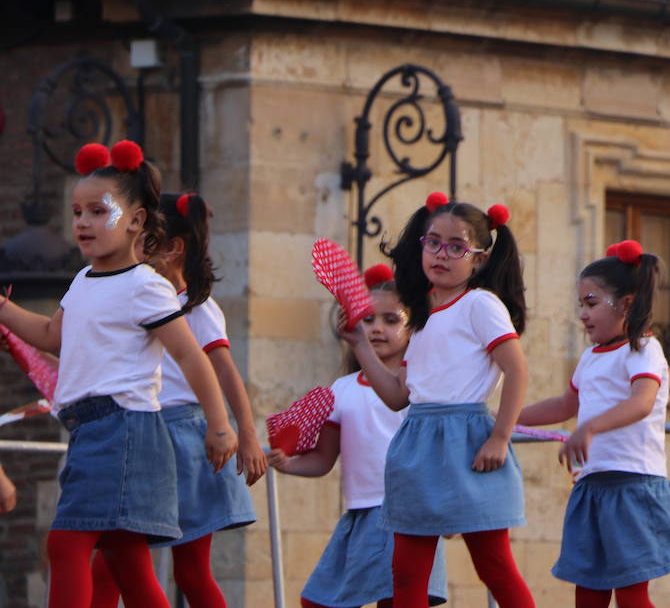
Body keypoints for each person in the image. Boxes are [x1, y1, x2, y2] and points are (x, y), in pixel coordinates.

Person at [0, 141, 237, 607]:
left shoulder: (145, 285)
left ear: (136, 220)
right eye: (76, 212)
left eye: (97, 210)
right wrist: (4, 309)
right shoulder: (82, 280)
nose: (82, 222)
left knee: (65, 544)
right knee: (127, 561)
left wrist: (221, 425)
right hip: (91, 430)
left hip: (124, 430)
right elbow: (51, 335)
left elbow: (192, 358)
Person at [344, 193, 534, 608]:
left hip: (468, 439)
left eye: (456, 247)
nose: (441, 254)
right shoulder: (423, 315)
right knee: (406, 574)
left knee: (494, 566)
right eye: (433, 242)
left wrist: (500, 437)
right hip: (418, 442)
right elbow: (397, 396)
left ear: (479, 259)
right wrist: (361, 344)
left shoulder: (481, 304)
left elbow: (517, 369)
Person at [91, 191, 262, 608]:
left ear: (173, 248)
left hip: (182, 441)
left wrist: (247, 435)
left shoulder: (196, 309)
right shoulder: (143, 301)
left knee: (188, 570)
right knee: (112, 561)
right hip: (143, 433)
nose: (134, 249)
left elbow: (226, 374)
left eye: (144, 240)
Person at [519, 240, 670, 608]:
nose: (583, 314)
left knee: (632, 597)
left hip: (632, 485)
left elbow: (642, 401)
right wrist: (505, 419)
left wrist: (588, 429)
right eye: (581, 305)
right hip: (592, 488)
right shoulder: (589, 357)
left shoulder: (643, 349)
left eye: (591, 303)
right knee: (588, 594)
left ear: (626, 303)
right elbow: (565, 404)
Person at [270, 264, 448, 607]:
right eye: (368, 320)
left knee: (397, 601)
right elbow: (324, 458)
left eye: (391, 320)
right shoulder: (342, 389)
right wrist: (288, 464)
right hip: (358, 516)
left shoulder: (422, 385)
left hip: (407, 515)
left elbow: (438, 451)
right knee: (318, 600)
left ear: (412, 327)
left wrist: (443, 506)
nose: (377, 328)